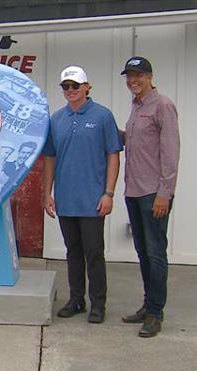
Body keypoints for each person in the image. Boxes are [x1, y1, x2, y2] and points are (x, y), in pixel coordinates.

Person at [43, 65, 122, 324]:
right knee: (72, 252)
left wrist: (108, 193)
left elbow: (113, 154)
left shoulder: (102, 116)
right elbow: (50, 158)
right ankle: (76, 299)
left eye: (75, 86)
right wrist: (47, 193)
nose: (70, 91)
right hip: (66, 199)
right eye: (65, 86)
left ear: (87, 87)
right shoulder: (56, 119)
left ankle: (98, 304)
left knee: (94, 252)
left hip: (92, 199)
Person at [119, 57, 180, 338]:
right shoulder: (136, 107)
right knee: (143, 252)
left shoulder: (162, 106)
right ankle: (148, 304)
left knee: (156, 254)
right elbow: (133, 142)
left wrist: (164, 194)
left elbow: (170, 153)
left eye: (139, 75)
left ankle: (155, 313)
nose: (133, 81)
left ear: (150, 76)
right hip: (133, 191)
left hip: (153, 195)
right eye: (129, 76)